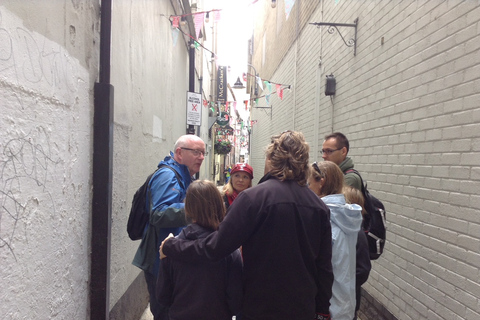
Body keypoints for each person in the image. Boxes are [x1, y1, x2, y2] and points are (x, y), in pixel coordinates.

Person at [161, 130, 334, 320]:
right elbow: (324, 267)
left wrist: (173, 246)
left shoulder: (253, 199)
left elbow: (216, 247)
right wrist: (322, 310)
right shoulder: (319, 207)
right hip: (302, 307)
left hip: (260, 306)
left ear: (271, 159)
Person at [132, 134, 206, 320]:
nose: (202, 157)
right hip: (160, 261)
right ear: (179, 153)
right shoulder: (168, 176)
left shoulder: (183, 175)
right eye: (196, 152)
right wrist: (195, 210)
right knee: (166, 313)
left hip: (169, 258)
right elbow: (158, 213)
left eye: (203, 153)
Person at [156, 180, 243, 320]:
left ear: (188, 209)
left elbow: (163, 297)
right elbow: (236, 302)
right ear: (220, 205)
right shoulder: (230, 251)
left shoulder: (172, 247)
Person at [322, 132, 371, 317]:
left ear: (343, 151)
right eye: (323, 151)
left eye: (329, 151)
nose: (324, 155)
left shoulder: (348, 180)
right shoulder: (338, 176)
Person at [308, 161, 363, 320]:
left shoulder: (325, 219)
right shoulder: (346, 215)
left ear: (321, 182)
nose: (307, 188)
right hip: (345, 305)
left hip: (327, 309)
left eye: (309, 182)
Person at [343, 186, 371, 320]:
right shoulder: (347, 229)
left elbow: (363, 269)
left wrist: (343, 283)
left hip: (348, 300)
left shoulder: (358, 234)